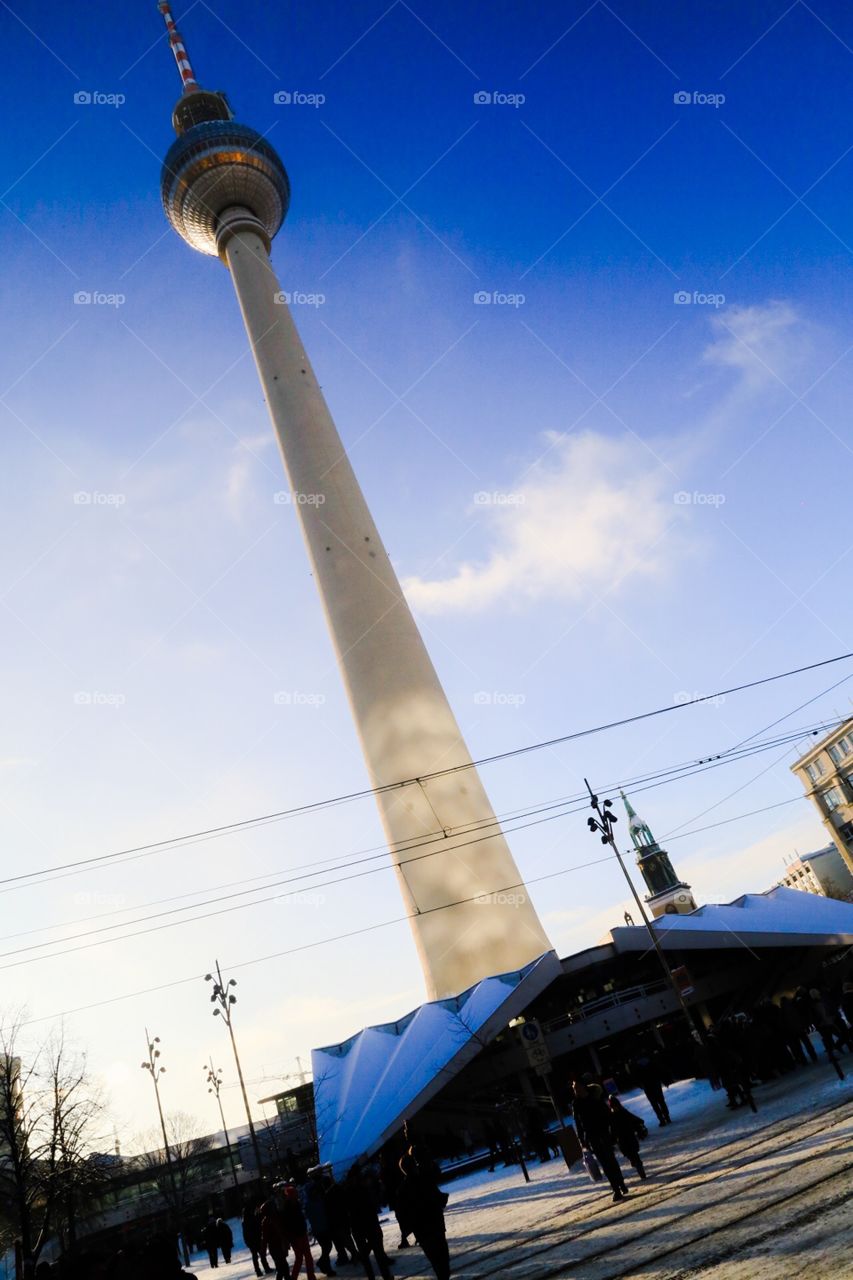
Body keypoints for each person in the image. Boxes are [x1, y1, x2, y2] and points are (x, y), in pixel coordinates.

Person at [571, 1076, 628, 1203]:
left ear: (583, 1086)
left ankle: (621, 1183)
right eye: (574, 1088)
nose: (575, 1090)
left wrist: (612, 1131)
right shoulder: (576, 1104)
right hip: (591, 1137)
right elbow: (578, 1123)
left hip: (603, 1133)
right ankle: (616, 1189)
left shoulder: (594, 1098)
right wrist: (581, 1140)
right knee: (605, 1163)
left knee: (611, 1160)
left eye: (577, 1087)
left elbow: (607, 1115)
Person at [396, 1153, 450, 1280]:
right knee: (443, 1258)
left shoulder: (402, 1190)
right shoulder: (425, 1180)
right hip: (436, 1225)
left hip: (422, 1231)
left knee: (435, 1260)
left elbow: (403, 1214)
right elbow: (439, 1199)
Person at [345, 1164, 393, 1280]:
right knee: (378, 1252)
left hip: (356, 1225)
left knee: (366, 1255)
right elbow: (372, 1203)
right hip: (370, 1223)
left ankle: (371, 1276)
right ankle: (386, 1275)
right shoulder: (364, 1187)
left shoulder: (347, 1189)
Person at [304, 1167, 336, 1274]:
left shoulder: (316, 1200)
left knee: (326, 1247)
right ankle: (325, 1265)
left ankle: (325, 1266)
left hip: (322, 1227)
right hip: (320, 1228)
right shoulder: (312, 1203)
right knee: (327, 1247)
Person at [282, 1184, 318, 1280]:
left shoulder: (294, 1204)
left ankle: (310, 1276)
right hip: (296, 1236)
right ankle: (295, 1277)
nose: (297, 1195)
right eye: (295, 1193)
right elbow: (289, 1224)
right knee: (300, 1257)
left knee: (307, 1256)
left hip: (301, 1233)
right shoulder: (288, 1207)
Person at [607, 1095, 647, 1180]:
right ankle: (635, 1162)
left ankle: (639, 1166)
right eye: (613, 1107)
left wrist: (639, 1125)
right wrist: (612, 1140)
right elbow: (611, 1130)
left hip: (629, 1137)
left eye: (615, 1106)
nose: (614, 1108)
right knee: (629, 1154)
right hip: (621, 1140)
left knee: (634, 1153)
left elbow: (633, 1120)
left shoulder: (623, 1113)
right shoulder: (611, 1117)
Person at [632, 1052, 670, 1125]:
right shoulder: (651, 1063)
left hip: (647, 1086)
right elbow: (659, 1071)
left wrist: (640, 1085)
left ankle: (661, 1119)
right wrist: (664, 1080)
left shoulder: (637, 1066)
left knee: (654, 1104)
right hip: (656, 1083)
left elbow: (636, 1078)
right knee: (661, 1101)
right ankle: (667, 1117)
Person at [260, 1193, 292, 1280]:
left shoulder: (273, 1218)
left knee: (282, 1268)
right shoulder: (268, 1221)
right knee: (283, 1268)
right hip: (276, 1247)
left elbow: (282, 1231)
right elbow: (265, 1237)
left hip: (278, 1246)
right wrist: (263, 1251)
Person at [243, 1200, 273, 1278]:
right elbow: (258, 1227)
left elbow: (245, 1233)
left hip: (251, 1241)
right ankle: (266, 1268)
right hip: (257, 1239)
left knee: (255, 1256)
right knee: (262, 1255)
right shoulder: (253, 1218)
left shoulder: (244, 1221)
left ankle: (258, 1271)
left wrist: (247, 1242)